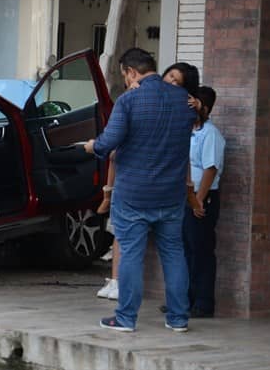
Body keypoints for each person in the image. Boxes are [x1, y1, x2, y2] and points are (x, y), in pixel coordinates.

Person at [85, 48, 196, 332]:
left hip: (133, 193)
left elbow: (109, 141)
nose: (125, 81)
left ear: (132, 72)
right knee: (173, 253)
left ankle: (125, 318)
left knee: (131, 254)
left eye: (124, 76)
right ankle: (179, 318)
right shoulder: (184, 101)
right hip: (171, 193)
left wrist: (92, 146)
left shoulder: (129, 101)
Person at [184, 85, 225, 318]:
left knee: (201, 250)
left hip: (202, 198)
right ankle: (185, 299)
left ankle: (203, 302)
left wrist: (198, 200)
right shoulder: (189, 131)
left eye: (194, 104)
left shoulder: (210, 134)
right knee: (186, 249)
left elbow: (210, 169)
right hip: (186, 198)